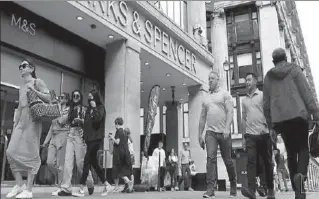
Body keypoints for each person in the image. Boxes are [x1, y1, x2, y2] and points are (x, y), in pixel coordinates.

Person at [263, 48, 319, 199]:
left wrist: (271, 126)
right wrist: (315, 112)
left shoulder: (269, 76)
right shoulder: (294, 70)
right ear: (286, 58)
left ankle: (297, 190)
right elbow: (306, 92)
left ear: (274, 61)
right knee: (303, 148)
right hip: (299, 115)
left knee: (291, 152)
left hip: (281, 119)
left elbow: (266, 103)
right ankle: (301, 176)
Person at [6, 59, 52, 199]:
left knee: (32, 154)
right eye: (20, 66)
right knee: (10, 151)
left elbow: (48, 98)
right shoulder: (21, 87)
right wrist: (15, 125)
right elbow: (20, 107)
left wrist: (34, 91)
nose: (21, 68)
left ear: (31, 69)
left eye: (24, 65)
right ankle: (20, 184)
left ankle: (29, 190)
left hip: (33, 120)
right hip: (21, 122)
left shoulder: (38, 82)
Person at [198, 71, 237, 198]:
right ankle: (210, 189)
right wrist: (200, 135)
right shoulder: (206, 99)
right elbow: (202, 118)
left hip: (224, 132)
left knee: (228, 160)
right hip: (211, 133)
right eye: (209, 78)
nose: (210, 80)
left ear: (218, 80)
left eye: (212, 78)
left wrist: (227, 128)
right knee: (211, 158)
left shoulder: (225, 94)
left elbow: (230, 112)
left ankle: (233, 184)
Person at [241, 73, 275, 199]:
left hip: (263, 133)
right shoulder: (244, 100)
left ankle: (270, 189)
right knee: (251, 161)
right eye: (246, 80)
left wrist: (270, 128)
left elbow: (269, 111)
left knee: (267, 162)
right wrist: (243, 137)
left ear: (255, 81)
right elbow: (243, 119)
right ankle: (251, 190)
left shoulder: (262, 95)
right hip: (250, 135)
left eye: (249, 80)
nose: (247, 82)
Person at [73, 90, 112, 197]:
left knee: (86, 162)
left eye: (92, 98)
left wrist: (94, 108)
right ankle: (107, 184)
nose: (90, 100)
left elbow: (97, 120)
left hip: (96, 139)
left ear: (96, 98)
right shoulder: (89, 109)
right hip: (89, 139)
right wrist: (81, 121)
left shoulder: (100, 108)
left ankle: (81, 189)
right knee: (94, 163)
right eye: (89, 98)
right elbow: (88, 123)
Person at [58, 90, 94, 196]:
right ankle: (66, 188)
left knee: (80, 163)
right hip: (70, 134)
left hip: (79, 134)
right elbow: (63, 121)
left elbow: (89, 123)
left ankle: (90, 183)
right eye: (74, 96)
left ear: (80, 97)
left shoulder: (84, 109)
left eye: (77, 96)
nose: (75, 97)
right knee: (67, 162)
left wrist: (81, 122)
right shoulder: (70, 109)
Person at [42, 93, 70, 196]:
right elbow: (52, 126)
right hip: (53, 136)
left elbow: (61, 121)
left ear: (66, 100)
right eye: (59, 97)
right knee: (49, 162)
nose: (59, 99)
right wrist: (45, 141)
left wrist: (56, 108)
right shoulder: (56, 109)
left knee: (60, 165)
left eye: (62, 97)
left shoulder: (68, 110)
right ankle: (60, 180)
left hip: (63, 136)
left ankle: (60, 186)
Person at [109, 117, 133, 192]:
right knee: (119, 170)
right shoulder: (124, 132)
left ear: (117, 124)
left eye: (115, 124)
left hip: (118, 154)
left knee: (118, 170)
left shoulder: (118, 131)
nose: (115, 125)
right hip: (124, 154)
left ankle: (128, 181)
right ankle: (118, 186)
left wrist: (112, 137)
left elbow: (117, 142)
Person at [122, 127, 135, 193]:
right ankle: (130, 187)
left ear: (125, 133)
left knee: (125, 172)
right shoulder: (130, 139)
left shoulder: (126, 140)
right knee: (131, 172)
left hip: (128, 156)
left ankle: (128, 186)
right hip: (132, 156)